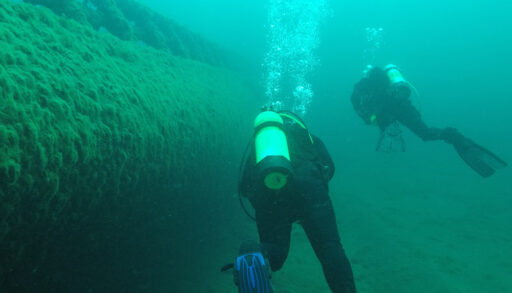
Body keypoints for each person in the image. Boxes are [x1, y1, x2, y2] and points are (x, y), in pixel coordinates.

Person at [238, 109, 357, 293]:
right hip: (310, 187)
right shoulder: (308, 137)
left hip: (271, 191)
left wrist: (271, 205)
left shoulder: (261, 145)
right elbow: (329, 167)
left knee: (275, 252)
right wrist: (313, 199)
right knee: (329, 247)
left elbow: (245, 186)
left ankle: (253, 253)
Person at [351, 65, 507, 177]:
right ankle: (452, 135)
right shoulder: (381, 85)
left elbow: (358, 104)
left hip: (388, 110)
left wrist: (369, 118)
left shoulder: (363, 86)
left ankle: (390, 143)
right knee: (425, 134)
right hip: (401, 106)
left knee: (384, 125)